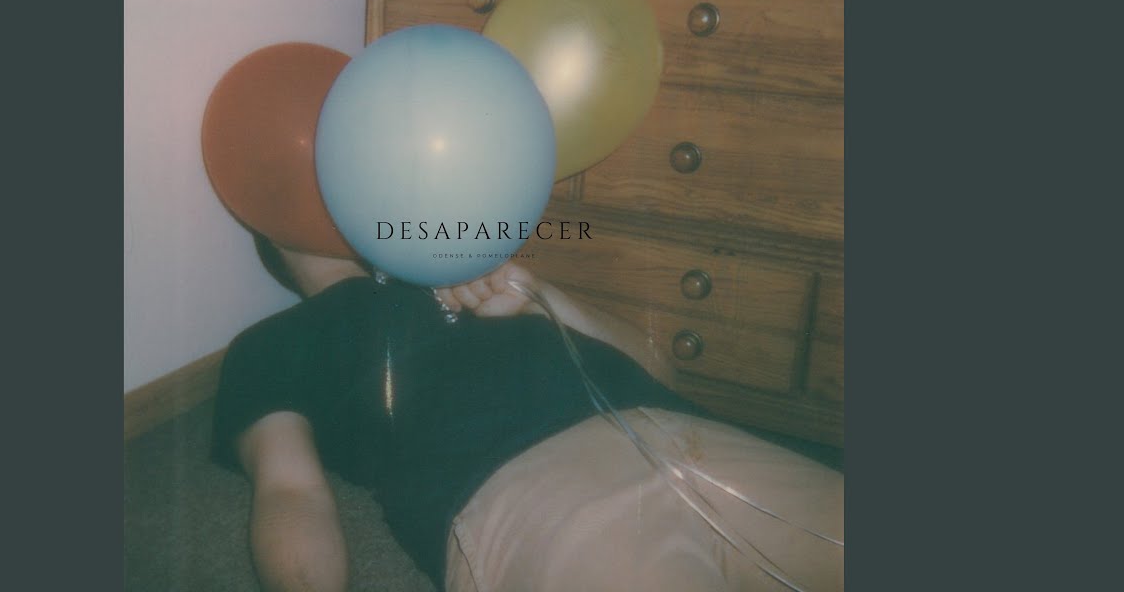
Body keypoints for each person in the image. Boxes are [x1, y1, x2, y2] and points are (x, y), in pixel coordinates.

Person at [210, 240, 845, 592]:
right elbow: (291, 490)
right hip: (540, 499)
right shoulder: (270, 342)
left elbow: (661, 368)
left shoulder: (465, 271)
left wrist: (542, 296)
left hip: (691, 441)